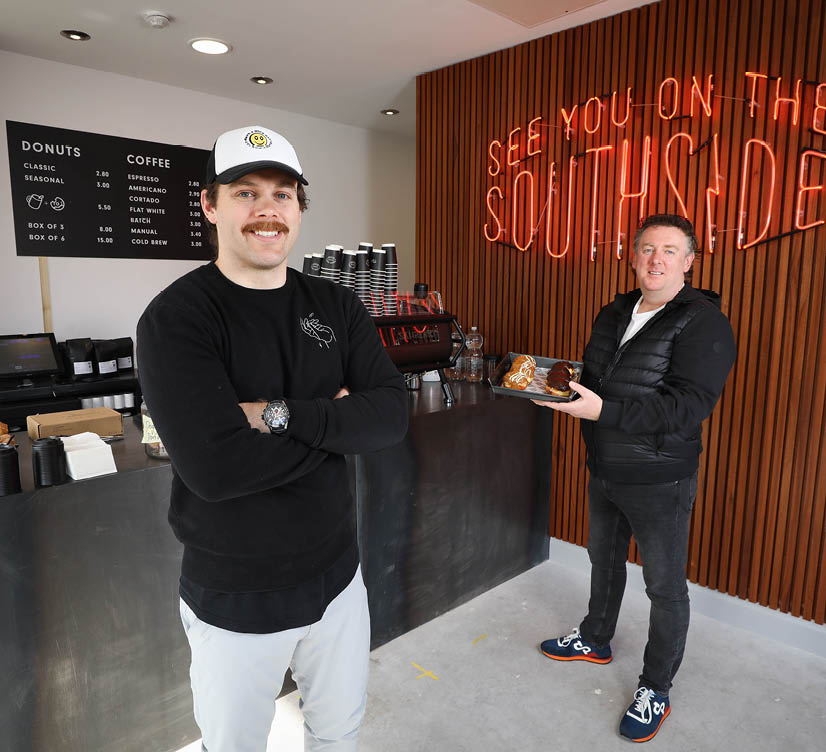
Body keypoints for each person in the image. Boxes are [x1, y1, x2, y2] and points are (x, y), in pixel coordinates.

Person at [137, 125, 408, 751]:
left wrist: (278, 415)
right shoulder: (177, 318)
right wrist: (339, 421)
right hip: (236, 596)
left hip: (339, 577)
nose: (267, 210)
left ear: (299, 209)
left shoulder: (335, 305)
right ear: (210, 205)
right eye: (245, 192)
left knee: (338, 735)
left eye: (283, 195)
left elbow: (390, 414)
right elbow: (216, 468)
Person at [534, 214, 735, 742]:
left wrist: (603, 413)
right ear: (633, 255)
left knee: (664, 586)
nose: (656, 259)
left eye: (670, 251)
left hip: (660, 478)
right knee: (603, 561)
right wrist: (565, 387)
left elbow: (687, 406)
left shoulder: (703, 321)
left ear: (689, 262)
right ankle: (596, 639)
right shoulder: (615, 310)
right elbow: (600, 379)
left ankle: (656, 687)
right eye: (648, 248)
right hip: (604, 467)